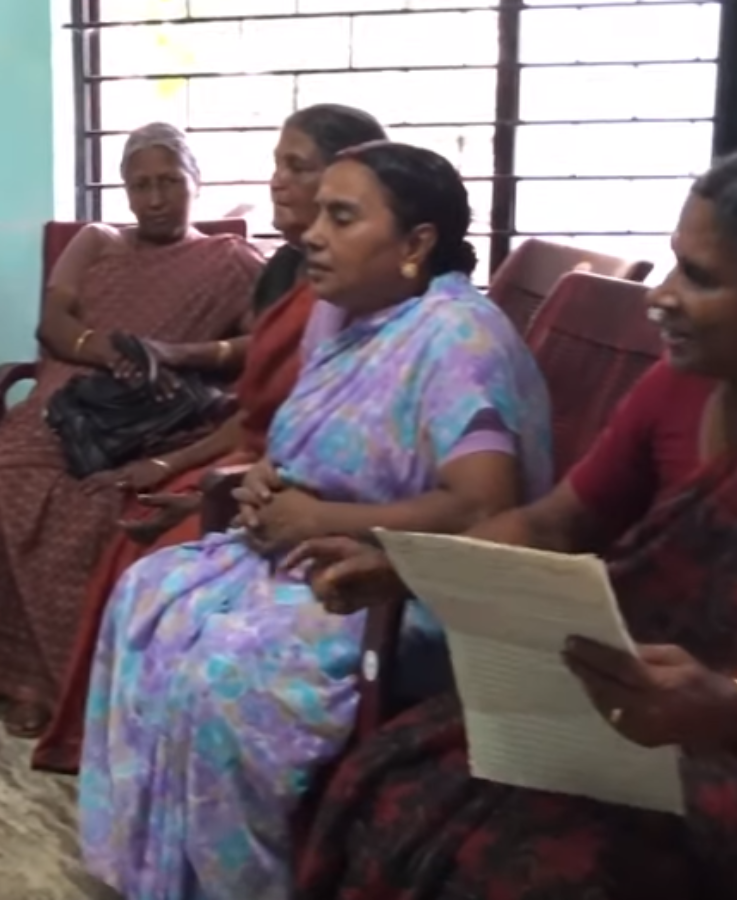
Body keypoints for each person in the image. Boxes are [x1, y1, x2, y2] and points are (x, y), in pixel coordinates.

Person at [289, 138, 737, 900]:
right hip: (631, 706)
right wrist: (412, 569)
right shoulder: (676, 388)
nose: (661, 296)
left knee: (528, 870)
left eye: (699, 277)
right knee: (386, 784)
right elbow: (553, 526)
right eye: (671, 263)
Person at [78, 141, 555, 900]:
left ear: (416, 243)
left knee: (223, 673)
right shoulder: (348, 317)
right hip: (301, 558)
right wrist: (268, 480)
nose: (313, 234)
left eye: (342, 217)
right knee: (146, 595)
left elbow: (482, 505)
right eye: (319, 214)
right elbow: (308, 442)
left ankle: (245, 882)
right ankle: (163, 873)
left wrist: (319, 516)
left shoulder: (457, 339)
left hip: (397, 588)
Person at [31, 104, 390, 774]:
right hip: (243, 462)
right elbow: (267, 412)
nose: (277, 181)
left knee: (146, 558)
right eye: (277, 165)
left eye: (296, 168)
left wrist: (199, 479)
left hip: (302, 497)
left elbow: (295, 431)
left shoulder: (383, 312)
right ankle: (115, 740)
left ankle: (159, 751)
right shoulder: (298, 275)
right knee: (78, 512)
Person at [0, 122, 266, 737]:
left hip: (163, 420)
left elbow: (266, 341)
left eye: (169, 182)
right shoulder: (97, 241)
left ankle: (95, 684)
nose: (155, 199)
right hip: (69, 405)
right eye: (140, 185)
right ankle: (33, 679)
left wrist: (179, 353)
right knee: (10, 481)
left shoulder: (230, 260)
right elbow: (52, 323)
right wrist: (105, 350)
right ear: (125, 190)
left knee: (110, 503)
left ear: (196, 183)